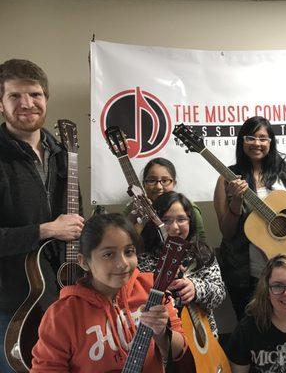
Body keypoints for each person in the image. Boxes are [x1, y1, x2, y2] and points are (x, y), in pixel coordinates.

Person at [0, 59, 84, 372]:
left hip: (64, 299)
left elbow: (77, 221)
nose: (27, 103)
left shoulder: (62, 154)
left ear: (46, 98)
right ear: (1, 103)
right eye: (15, 96)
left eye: (35, 94)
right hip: (12, 304)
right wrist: (46, 230)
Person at [30, 213, 187, 372]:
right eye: (108, 254)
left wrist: (162, 334)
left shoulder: (152, 289)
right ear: (84, 261)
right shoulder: (62, 315)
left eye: (129, 252)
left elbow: (179, 352)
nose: (123, 264)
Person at [213, 116, 286, 320]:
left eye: (263, 138)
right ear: (242, 141)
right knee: (251, 327)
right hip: (246, 272)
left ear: (271, 142)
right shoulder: (227, 177)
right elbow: (227, 232)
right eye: (251, 137)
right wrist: (236, 201)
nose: (257, 143)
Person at [140, 191, 226, 337]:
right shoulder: (143, 258)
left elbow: (219, 294)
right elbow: (139, 301)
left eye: (181, 219)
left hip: (203, 337)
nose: (174, 227)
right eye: (166, 220)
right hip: (162, 338)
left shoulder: (202, 252)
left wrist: (196, 287)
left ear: (190, 221)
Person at [124, 157, 206, 241]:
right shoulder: (134, 208)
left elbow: (200, 239)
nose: (158, 187)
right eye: (152, 180)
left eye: (165, 180)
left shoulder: (188, 208)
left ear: (174, 183)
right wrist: (131, 219)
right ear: (143, 184)